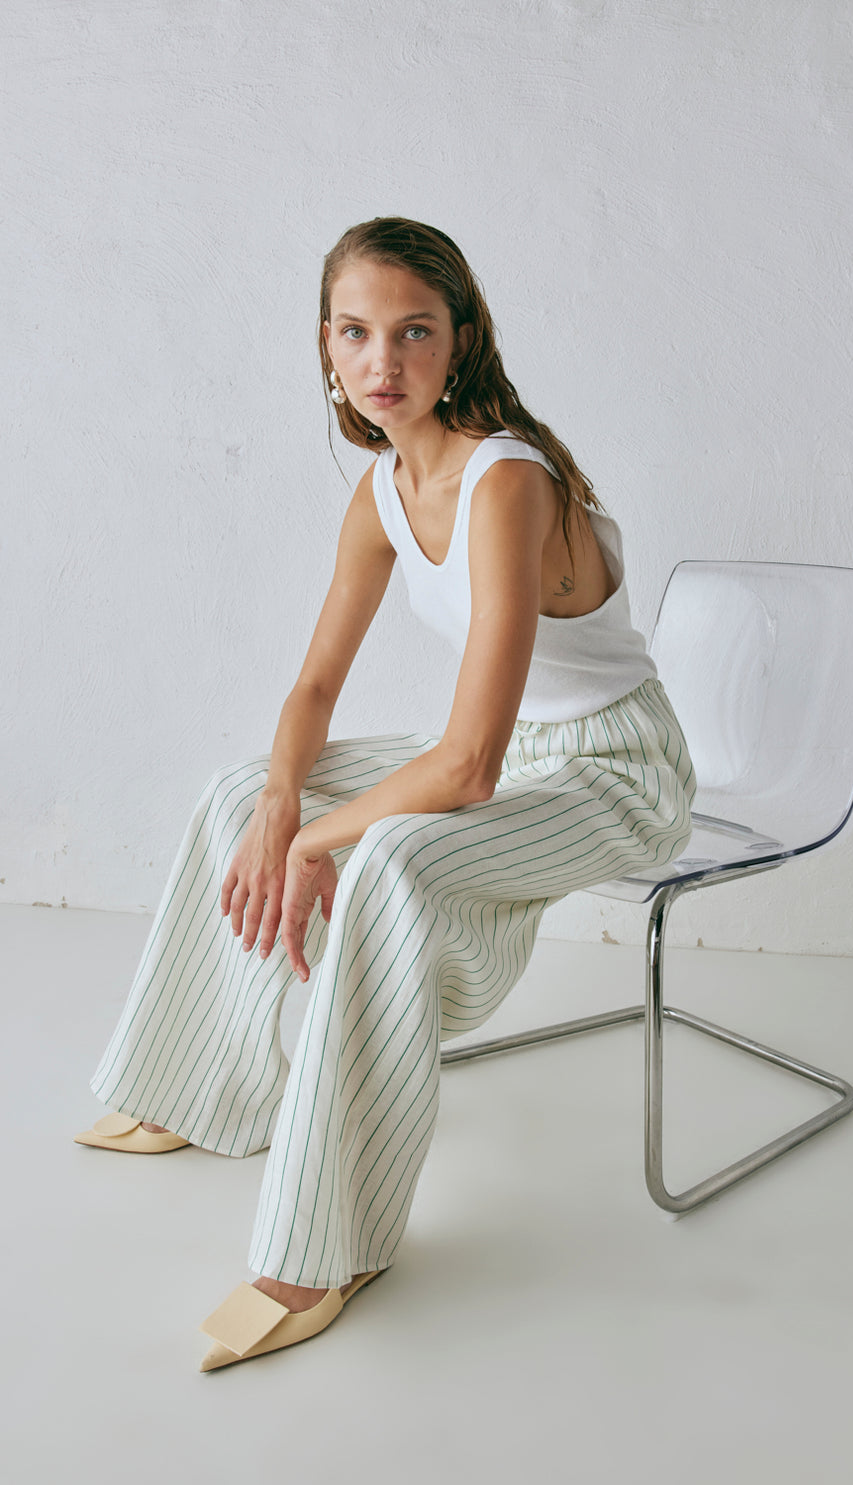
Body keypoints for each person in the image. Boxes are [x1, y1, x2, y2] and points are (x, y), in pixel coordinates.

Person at [75, 217, 696, 1371]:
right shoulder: (381, 490)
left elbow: (465, 769)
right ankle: (197, 1086)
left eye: (414, 332)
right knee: (237, 794)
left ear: (460, 341)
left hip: (614, 769)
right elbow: (315, 686)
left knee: (395, 858)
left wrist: (317, 840)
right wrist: (282, 808)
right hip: (513, 750)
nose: (383, 361)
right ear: (326, 345)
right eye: (356, 333)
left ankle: (326, 1245)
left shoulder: (507, 479)